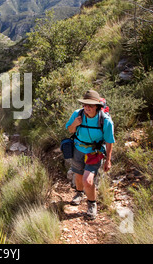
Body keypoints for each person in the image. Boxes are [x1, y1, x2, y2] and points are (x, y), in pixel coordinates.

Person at [65, 90, 115, 220]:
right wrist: (75, 124)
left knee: (87, 180)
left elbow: (109, 142)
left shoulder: (105, 121)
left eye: (91, 105)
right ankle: (79, 193)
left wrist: (108, 160)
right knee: (78, 175)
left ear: (98, 106)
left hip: (94, 152)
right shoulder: (78, 114)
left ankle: (92, 204)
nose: (87, 108)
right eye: (85, 104)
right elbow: (70, 129)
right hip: (78, 149)